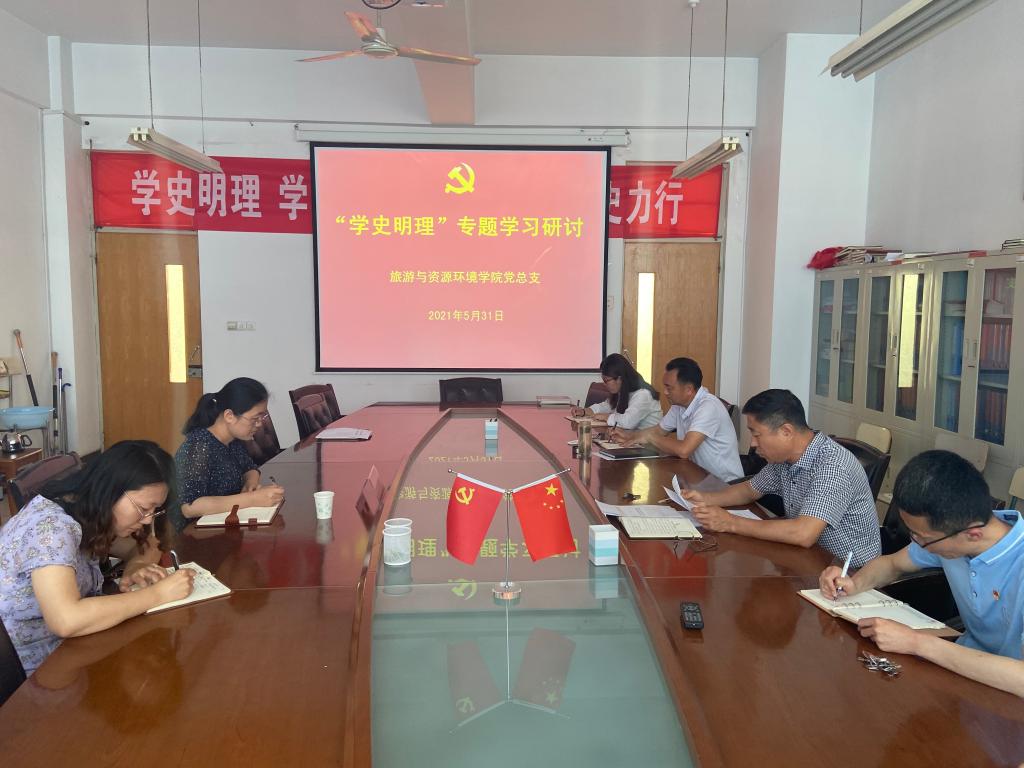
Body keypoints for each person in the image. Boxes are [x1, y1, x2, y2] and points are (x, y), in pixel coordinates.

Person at [819, 450, 1024, 697]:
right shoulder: (953, 535)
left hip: (1007, 694)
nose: (917, 543)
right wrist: (855, 583)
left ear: (973, 534)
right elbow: (892, 564)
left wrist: (916, 642)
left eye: (922, 538)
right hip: (958, 672)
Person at [0, 440, 196, 675]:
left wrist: (137, 567)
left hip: (74, 650)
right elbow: (66, 619)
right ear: (111, 491)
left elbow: (148, 546)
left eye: (155, 510)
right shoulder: (52, 528)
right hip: (33, 673)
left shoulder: (89, 514)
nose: (147, 519)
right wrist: (157, 595)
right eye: (144, 508)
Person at [683, 388, 880, 567]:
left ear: (786, 432)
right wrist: (704, 499)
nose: (752, 444)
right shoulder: (785, 459)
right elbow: (749, 490)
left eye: (756, 435)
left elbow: (804, 533)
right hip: (809, 559)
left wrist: (729, 522)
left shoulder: (832, 466)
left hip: (851, 574)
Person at [172, 377, 285, 531]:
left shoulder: (232, 440)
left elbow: (249, 467)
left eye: (262, 417)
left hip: (226, 526)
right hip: (196, 535)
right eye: (254, 419)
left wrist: (250, 482)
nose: (259, 424)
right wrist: (252, 499)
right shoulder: (198, 446)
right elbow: (189, 507)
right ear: (229, 416)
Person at [612, 357, 743, 482]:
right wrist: (629, 435)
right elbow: (658, 431)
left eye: (669, 387)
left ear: (689, 389)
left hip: (725, 484)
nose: (665, 392)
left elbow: (684, 450)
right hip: (698, 477)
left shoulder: (708, 407)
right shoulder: (679, 406)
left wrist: (650, 438)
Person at [569, 353, 663, 430]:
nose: (604, 384)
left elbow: (628, 422)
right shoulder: (622, 390)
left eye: (606, 380)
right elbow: (606, 406)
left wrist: (606, 417)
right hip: (632, 439)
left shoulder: (643, 394)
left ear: (619, 378)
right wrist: (584, 411)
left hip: (648, 445)